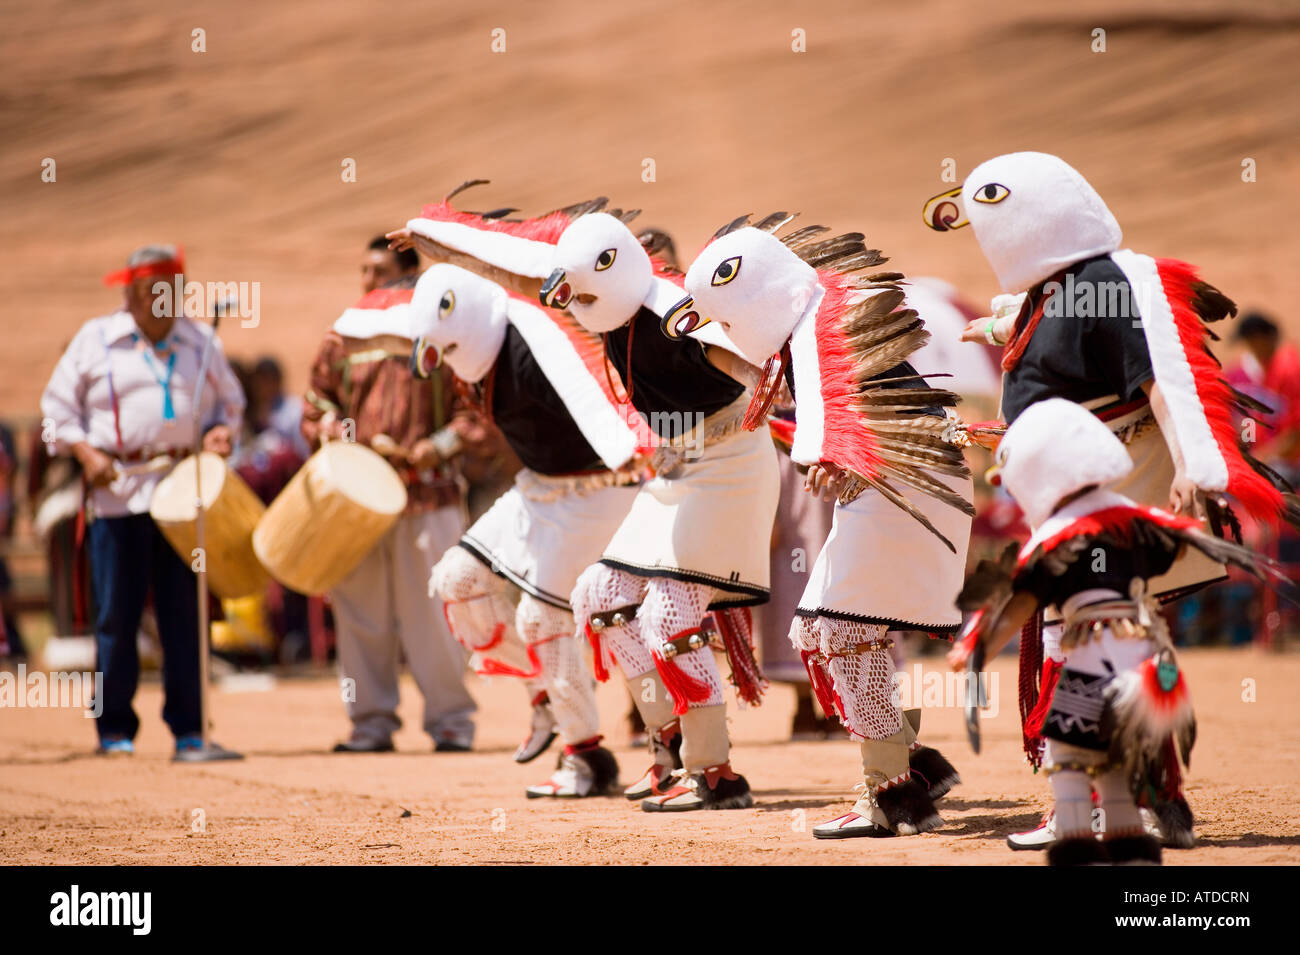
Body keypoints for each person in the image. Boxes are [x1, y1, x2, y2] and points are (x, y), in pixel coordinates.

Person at [924, 150, 1299, 848]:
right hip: (1073, 499)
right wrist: (1004, 323)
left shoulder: (1104, 280)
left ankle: (1099, 800)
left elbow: (1160, 375)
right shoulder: (1058, 290)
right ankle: (1135, 798)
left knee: (1089, 639)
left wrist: (1193, 464)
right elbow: (1070, 339)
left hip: (1107, 494)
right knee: (1095, 638)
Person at [395, 198, 779, 810]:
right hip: (675, 467)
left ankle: (714, 773)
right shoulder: (603, 305)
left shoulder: (673, 314)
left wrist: (788, 397)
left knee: (666, 612)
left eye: (580, 291)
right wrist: (436, 244)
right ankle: (667, 749)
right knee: (597, 597)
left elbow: (743, 354)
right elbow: (518, 277)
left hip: (730, 464)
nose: (571, 304)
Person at [663, 216, 972, 837]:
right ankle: (909, 772)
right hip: (910, 483)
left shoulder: (815, 330)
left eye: (726, 317)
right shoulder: (813, 308)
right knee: (850, 627)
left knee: (833, 627)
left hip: (905, 485)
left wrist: (827, 455)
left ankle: (891, 793)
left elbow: (834, 403)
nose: (725, 331)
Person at [950, 398, 1289, 865]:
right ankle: (1131, 844)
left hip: (1092, 664)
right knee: (1116, 762)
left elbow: (1017, 604)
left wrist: (977, 649)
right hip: (1149, 666)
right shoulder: (1135, 520)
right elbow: (1176, 543)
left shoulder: (1054, 539)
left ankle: (1075, 843)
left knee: (1068, 754)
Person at [410, 263, 648, 796]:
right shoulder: (475, 354)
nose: (448, 363)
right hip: (537, 488)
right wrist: (430, 239)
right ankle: (543, 689)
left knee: (540, 617)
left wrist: (636, 445)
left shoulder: (534, 344)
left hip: (599, 489)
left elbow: (601, 386)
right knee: (456, 581)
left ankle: (585, 757)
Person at [40, 244, 245, 758]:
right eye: (152, 292)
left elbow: (232, 405)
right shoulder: (96, 341)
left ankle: (191, 731)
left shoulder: (201, 342)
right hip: (117, 496)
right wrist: (88, 455)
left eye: (171, 292)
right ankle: (114, 732)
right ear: (129, 294)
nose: (163, 301)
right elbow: (55, 411)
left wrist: (221, 433)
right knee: (116, 616)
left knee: (185, 612)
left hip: (182, 498)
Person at [301, 236, 476, 753]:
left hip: (428, 498)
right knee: (360, 615)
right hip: (355, 502)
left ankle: (450, 722)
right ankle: (370, 724)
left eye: (375, 269)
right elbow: (313, 404)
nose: (365, 281)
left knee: (435, 618)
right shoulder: (343, 334)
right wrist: (333, 428)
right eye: (361, 270)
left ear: (407, 274)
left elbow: (476, 410)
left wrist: (436, 447)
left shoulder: (438, 331)